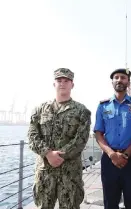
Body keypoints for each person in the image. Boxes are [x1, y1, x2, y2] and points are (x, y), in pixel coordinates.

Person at [28, 68, 92, 209]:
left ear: (72, 85)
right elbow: (32, 136)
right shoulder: (40, 110)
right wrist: (48, 154)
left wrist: (61, 155)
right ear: (54, 84)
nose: (62, 83)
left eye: (66, 80)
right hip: (45, 171)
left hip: (69, 172)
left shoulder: (82, 111)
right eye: (59, 80)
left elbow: (81, 139)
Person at [94, 68, 131, 209]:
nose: (119, 80)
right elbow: (98, 133)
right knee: (110, 202)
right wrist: (112, 154)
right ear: (112, 82)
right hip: (109, 160)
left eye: (123, 77)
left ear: (128, 82)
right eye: (116, 77)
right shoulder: (103, 106)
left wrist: (125, 155)